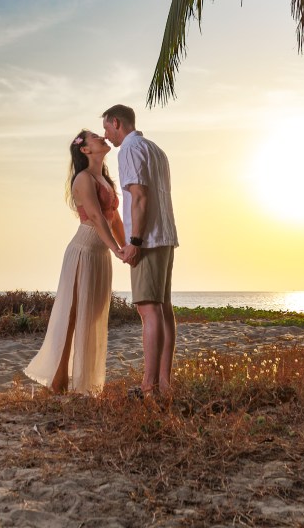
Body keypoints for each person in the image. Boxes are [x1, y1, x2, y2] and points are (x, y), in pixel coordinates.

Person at [23, 129, 126, 394]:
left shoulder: (104, 179)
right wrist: (116, 249)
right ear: (85, 150)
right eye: (95, 136)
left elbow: (114, 218)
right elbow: (95, 216)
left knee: (92, 316)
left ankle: (84, 381)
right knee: (71, 315)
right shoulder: (82, 178)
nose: (102, 137)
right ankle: (58, 382)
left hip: (100, 254)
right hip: (83, 251)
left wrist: (125, 247)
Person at [101, 104, 178, 396]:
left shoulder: (129, 150)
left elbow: (140, 198)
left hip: (148, 239)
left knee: (149, 310)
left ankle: (149, 386)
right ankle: (164, 384)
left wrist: (134, 242)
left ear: (117, 123)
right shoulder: (156, 150)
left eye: (108, 129)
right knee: (164, 310)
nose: (106, 135)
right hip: (166, 236)